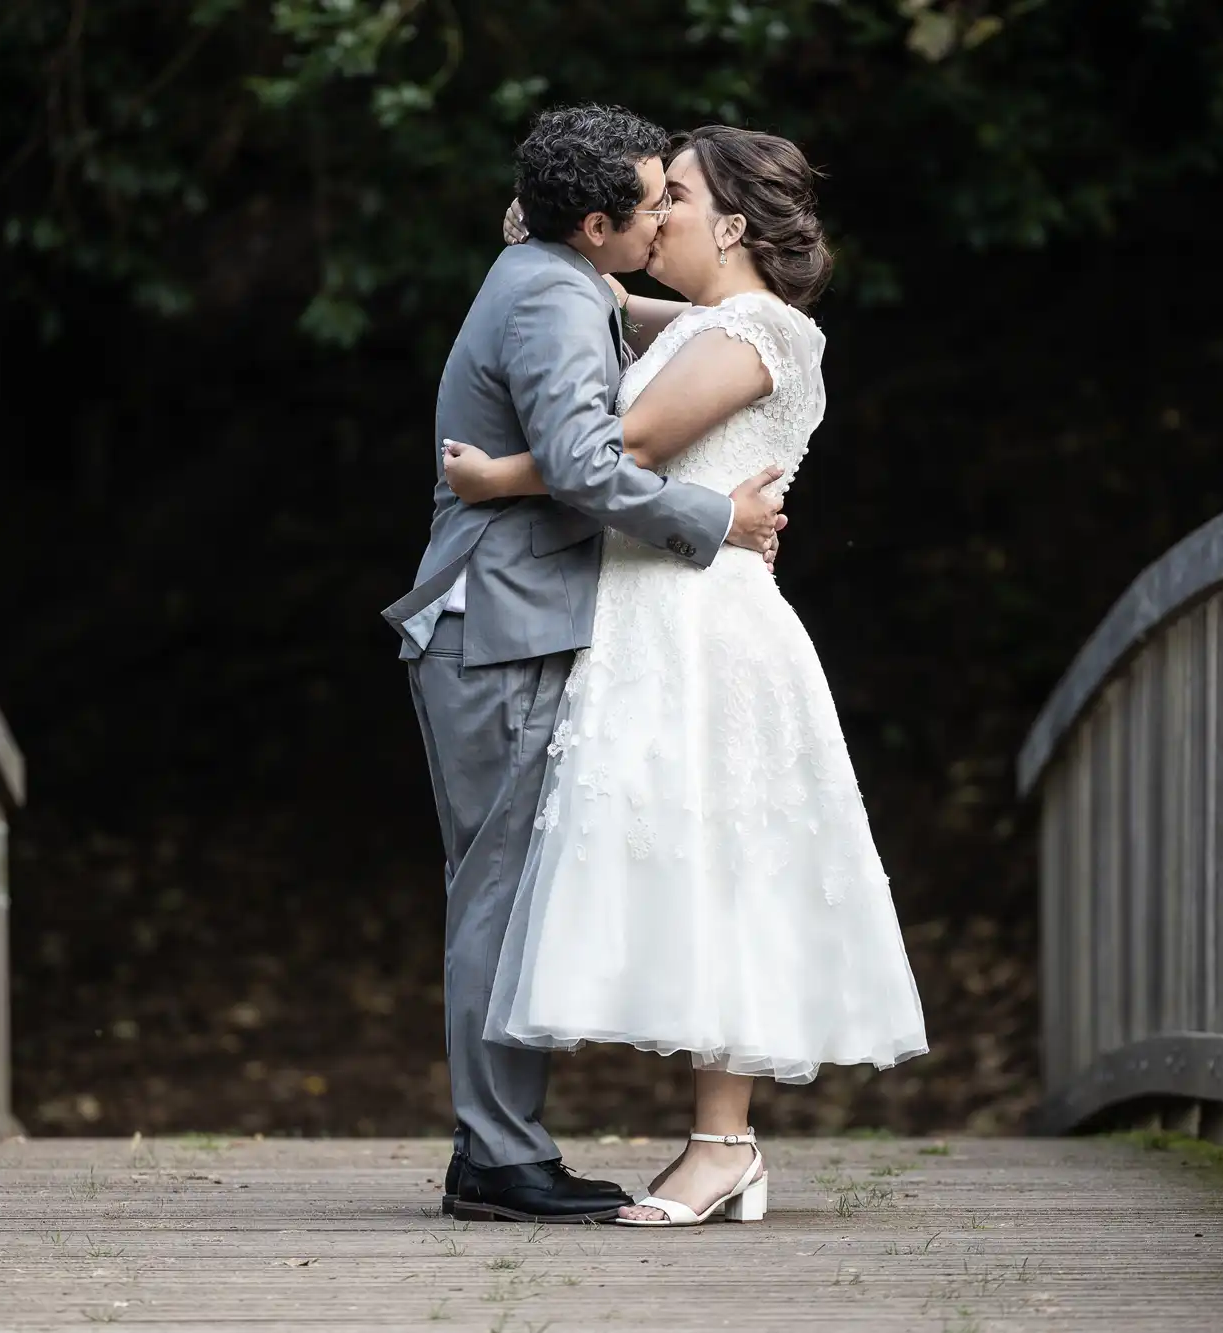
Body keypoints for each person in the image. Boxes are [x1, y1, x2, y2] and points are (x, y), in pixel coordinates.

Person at [441, 124, 929, 1227]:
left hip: (703, 631)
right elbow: (617, 312)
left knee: (724, 869)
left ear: (731, 224)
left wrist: (494, 479)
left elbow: (621, 448)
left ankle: (723, 1143)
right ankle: (710, 1143)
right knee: (682, 876)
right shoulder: (714, 321)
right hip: (650, 619)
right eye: (645, 200)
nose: (655, 217)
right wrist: (549, 228)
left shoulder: (757, 330)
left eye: (676, 199)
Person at [380, 105, 788, 1224]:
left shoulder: (550, 268)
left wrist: (749, 313)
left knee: (500, 894)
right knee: (498, 900)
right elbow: (581, 465)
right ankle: (498, 1161)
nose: (664, 213)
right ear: (596, 221)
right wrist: (716, 518)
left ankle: (499, 1148)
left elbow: (623, 312)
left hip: (498, 619)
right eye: (651, 202)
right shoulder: (554, 296)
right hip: (500, 624)